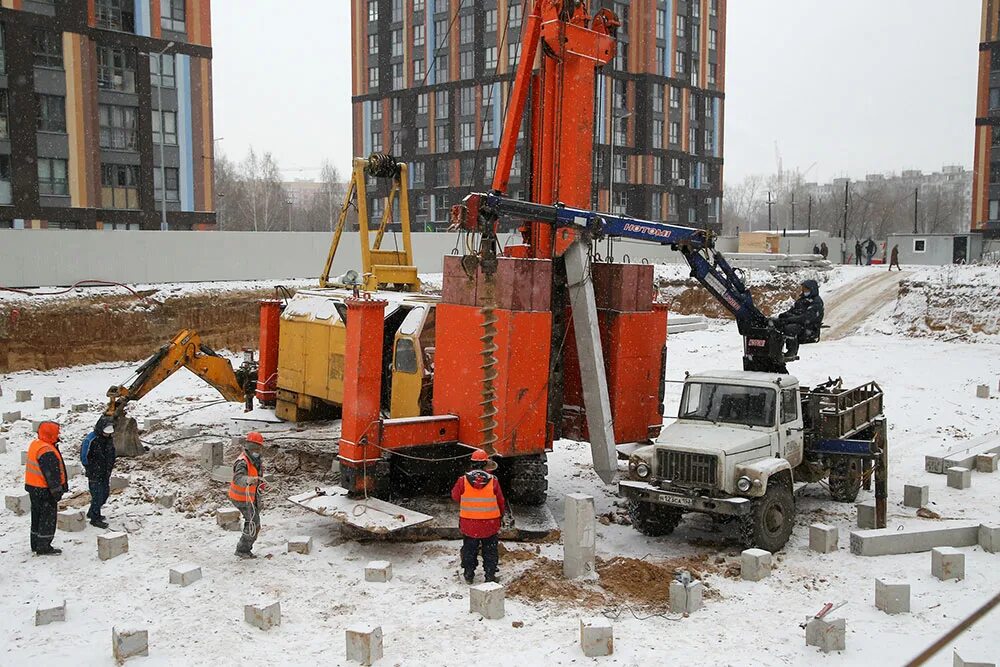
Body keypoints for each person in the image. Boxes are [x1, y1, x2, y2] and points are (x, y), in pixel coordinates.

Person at [451, 449, 507, 585]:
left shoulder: (463, 480)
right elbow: (500, 501)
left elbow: (455, 496)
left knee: (469, 549)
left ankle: (469, 574)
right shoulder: (493, 481)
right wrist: (501, 516)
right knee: (490, 551)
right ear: (486, 464)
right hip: (490, 524)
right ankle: (490, 575)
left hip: (469, 524)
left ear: (471, 463)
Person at [24, 421, 68, 555]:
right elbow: (52, 475)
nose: (58, 434)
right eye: (57, 432)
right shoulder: (47, 450)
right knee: (47, 518)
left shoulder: (37, 444)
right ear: (50, 434)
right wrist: (56, 491)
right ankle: (44, 546)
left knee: (37, 516)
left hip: (33, 487)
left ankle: (35, 543)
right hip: (44, 489)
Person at [229, 431, 266, 559]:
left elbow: (258, 475)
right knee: (253, 524)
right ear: (248, 446)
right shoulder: (242, 462)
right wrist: (248, 480)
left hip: (250, 496)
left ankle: (244, 548)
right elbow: (238, 478)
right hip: (241, 498)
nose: (257, 450)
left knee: (253, 522)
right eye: (254, 447)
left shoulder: (256, 459)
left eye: (258, 447)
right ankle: (242, 550)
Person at [775, 279, 825, 360]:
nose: (804, 291)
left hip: (809, 327)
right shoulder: (801, 300)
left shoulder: (816, 302)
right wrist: (784, 315)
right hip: (798, 322)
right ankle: (774, 350)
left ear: (812, 289)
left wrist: (790, 319)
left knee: (790, 328)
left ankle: (792, 351)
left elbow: (806, 318)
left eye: (806, 289)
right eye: (803, 289)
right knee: (775, 324)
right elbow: (793, 310)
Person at [82, 416, 116, 529]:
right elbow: (84, 457)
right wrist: (91, 468)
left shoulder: (109, 439)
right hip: (94, 473)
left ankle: (92, 512)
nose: (108, 435)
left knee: (105, 494)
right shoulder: (91, 439)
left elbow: (111, 454)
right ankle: (95, 518)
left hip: (105, 472)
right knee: (97, 495)